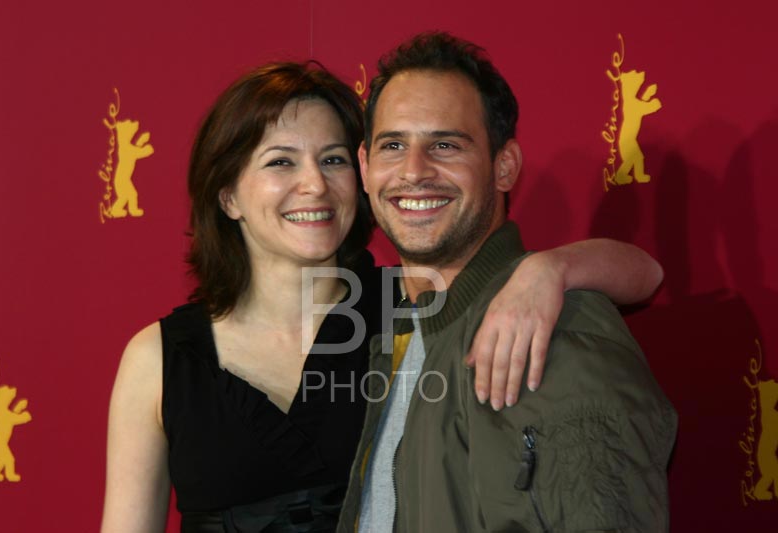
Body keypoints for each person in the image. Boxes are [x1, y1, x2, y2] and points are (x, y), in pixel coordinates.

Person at [100, 62, 664, 533]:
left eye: (334, 159)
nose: (315, 184)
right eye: (280, 161)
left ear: (361, 177)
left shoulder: (412, 303)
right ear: (228, 195)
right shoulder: (160, 359)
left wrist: (553, 268)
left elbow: (645, 273)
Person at [337, 33, 678, 533]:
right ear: (366, 168)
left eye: (445, 145)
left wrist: (552, 271)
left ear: (504, 166)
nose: (413, 171)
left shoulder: (559, 330)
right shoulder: (397, 326)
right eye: (394, 145)